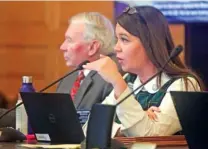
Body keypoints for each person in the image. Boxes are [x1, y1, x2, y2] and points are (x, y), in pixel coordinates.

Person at [83, 6, 203, 137]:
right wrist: (126, 128)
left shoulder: (184, 84)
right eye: (117, 40)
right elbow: (89, 127)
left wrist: (117, 82)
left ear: (149, 43)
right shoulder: (129, 79)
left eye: (124, 39)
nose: (116, 48)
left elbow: (148, 135)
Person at [57, 12, 123, 110]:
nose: (62, 47)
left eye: (69, 40)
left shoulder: (112, 77)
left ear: (92, 47)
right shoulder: (67, 79)